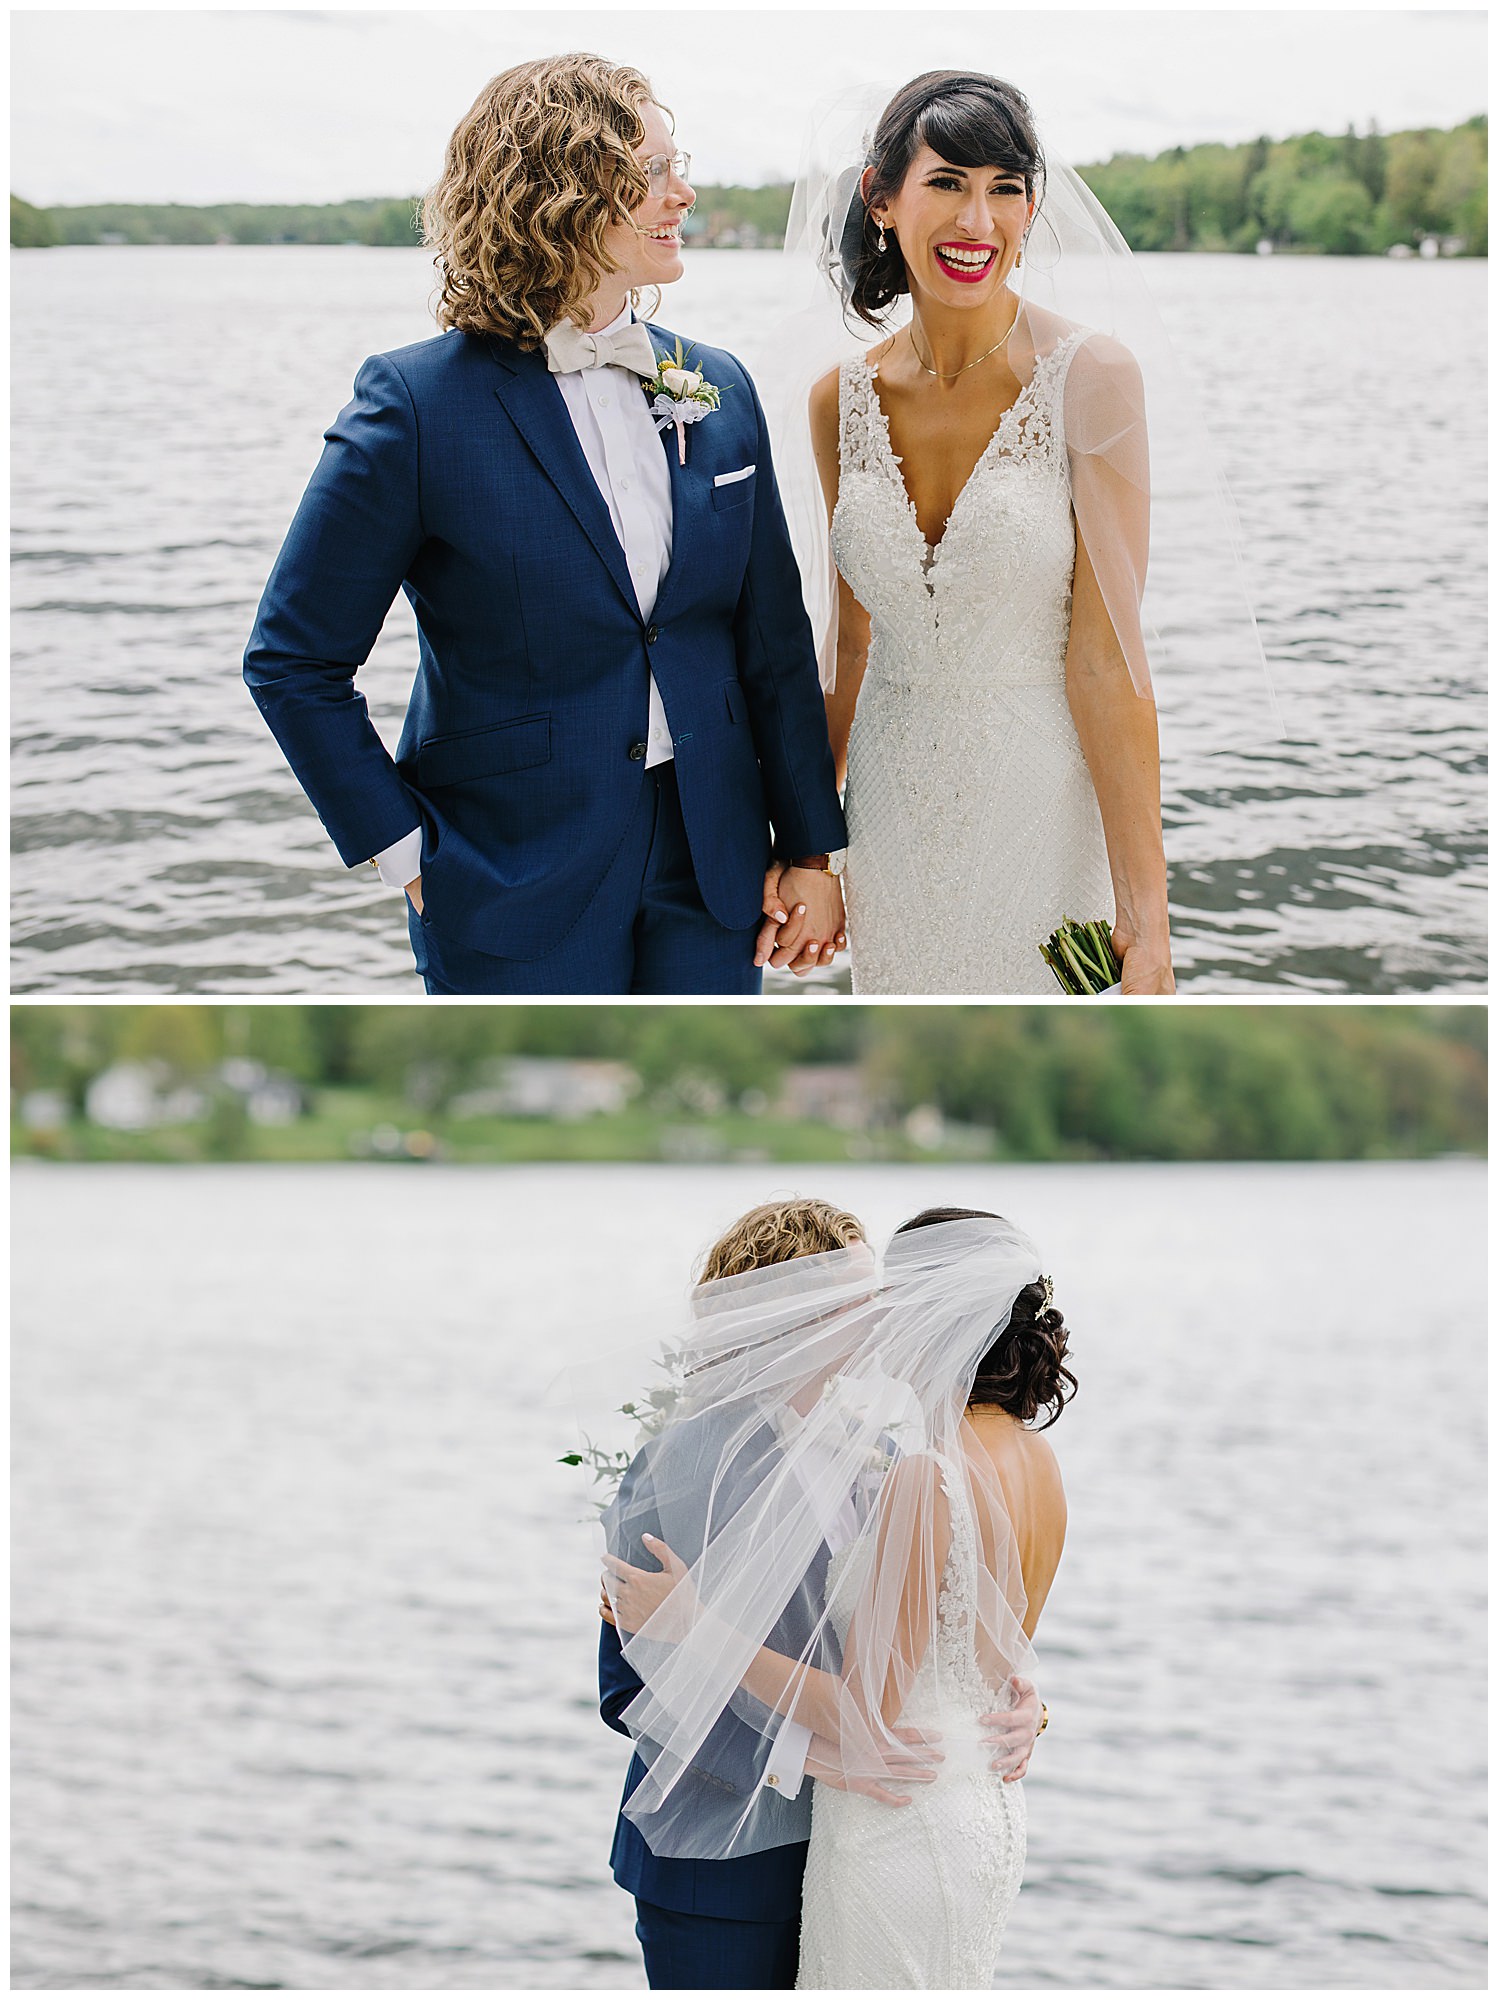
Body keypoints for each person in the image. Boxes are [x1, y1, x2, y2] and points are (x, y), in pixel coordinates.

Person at [244, 54, 847, 994]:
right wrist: (406, 855)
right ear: (556, 193)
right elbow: (292, 660)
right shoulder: (414, 405)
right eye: (650, 173)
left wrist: (812, 849)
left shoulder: (718, 386)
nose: (682, 194)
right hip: (508, 872)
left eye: (676, 165)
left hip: (716, 862)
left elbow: (770, 639)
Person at [600, 1204, 1065, 1989]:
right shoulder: (678, 1467)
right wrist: (803, 1758)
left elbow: (942, 1628)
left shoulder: (883, 1453)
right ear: (788, 1312)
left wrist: (1029, 1706)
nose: (879, 1314)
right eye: (858, 1298)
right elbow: (627, 1690)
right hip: (723, 1875)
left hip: (871, 1844)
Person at [792, 71, 1177, 995]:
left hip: (1039, 806)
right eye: (948, 183)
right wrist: (812, 852)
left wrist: (1147, 917)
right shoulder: (836, 400)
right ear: (880, 199)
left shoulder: (1093, 378)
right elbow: (848, 650)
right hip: (888, 815)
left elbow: (1109, 664)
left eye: (1005, 189)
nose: (978, 222)